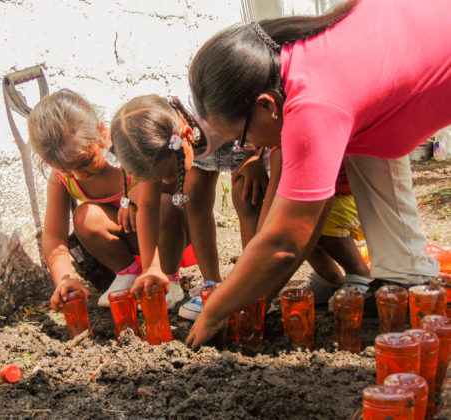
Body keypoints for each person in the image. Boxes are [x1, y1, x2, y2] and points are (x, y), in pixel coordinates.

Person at [186, 0, 448, 348]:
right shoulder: (295, 58)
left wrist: (215, 312)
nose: (245, 147)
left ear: (266, 105)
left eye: (242, 137)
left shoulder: (315, 103)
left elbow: (285, 242)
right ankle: (403, 274)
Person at [109, 94, 268, 320]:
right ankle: (212, 283)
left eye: (168, 174)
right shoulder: (155, 142)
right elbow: (148, 206)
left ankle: (255, 285)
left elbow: (252, 105)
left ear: (182, 137)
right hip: (200, 147)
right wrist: (151, 267)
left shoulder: (213, 109)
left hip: (245, 139)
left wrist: (256, 155)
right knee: (194, 195)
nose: (167, 183)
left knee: (246, 195)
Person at [28, 89, 186, 312]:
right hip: (129, 239)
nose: (79, 175)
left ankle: (169, 279)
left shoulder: (128, 145)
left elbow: (170, 183)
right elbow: (54, 236)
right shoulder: (61, 178)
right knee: (85, 217)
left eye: (85, 162)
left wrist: (137, 195)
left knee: (165, 204)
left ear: (102, 132)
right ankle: (128, 275)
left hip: (166, 236)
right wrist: (64, 278)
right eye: (67, 170)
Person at [260, 147, 371, 304]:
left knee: (301, 225)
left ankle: (360, 274)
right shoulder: (278, 146)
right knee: (297, 222)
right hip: (329, 199)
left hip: (352, 200)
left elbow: (268, 220)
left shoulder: (282, 150)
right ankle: (329, 277)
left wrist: (262, 295)